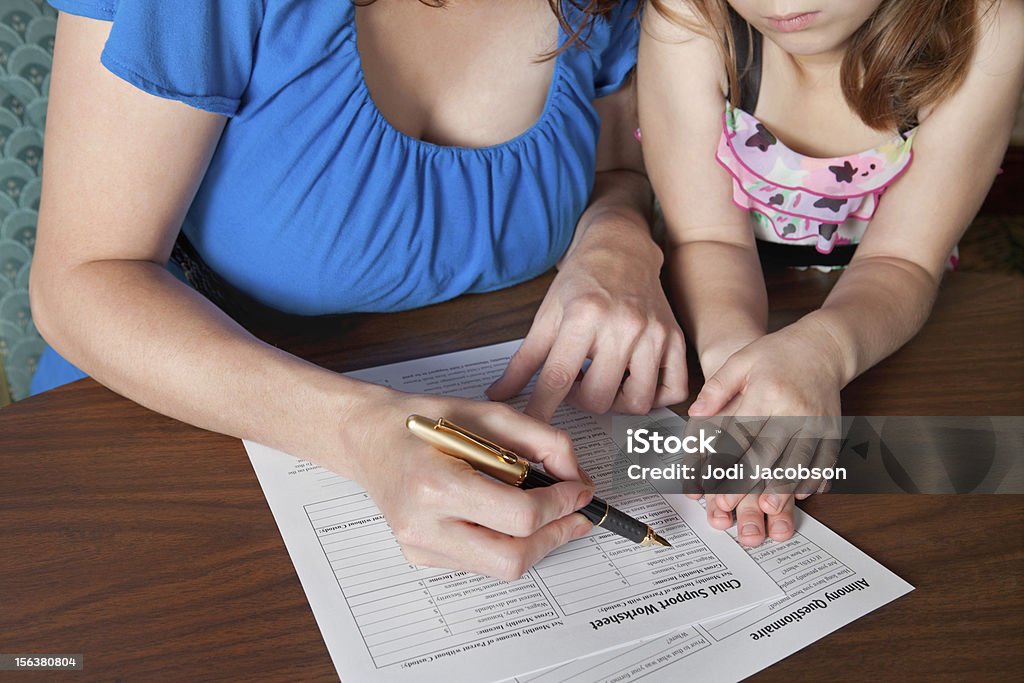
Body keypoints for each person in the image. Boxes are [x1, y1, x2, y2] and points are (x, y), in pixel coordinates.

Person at [29, 0, 688, 581]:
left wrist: (618, 237)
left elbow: (615, 163)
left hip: (465, 434)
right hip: (167, 442)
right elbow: (81, 278)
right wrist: (358, 430)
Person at [638, 0, 1024, 545]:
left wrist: (822, 351)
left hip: (883, 312)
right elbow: (709, 238)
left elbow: (903, 261)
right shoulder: (692, 13)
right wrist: (745, 387)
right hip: (720, 297)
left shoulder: (986, 26)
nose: (778, 4)